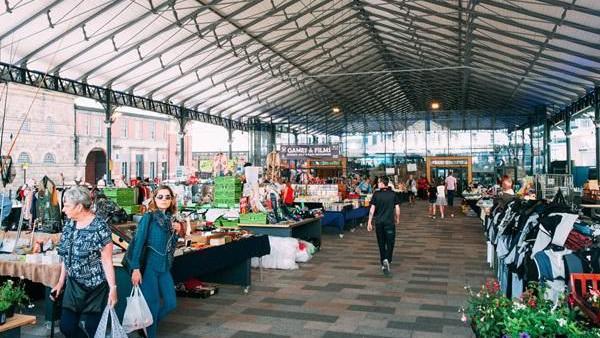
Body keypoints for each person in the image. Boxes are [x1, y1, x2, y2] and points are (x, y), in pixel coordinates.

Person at [52, 186, 117, 337]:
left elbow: (107, 261)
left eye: (67, 205)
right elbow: (66, 256)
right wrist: (60, 282)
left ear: (79, 206)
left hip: (96, 287)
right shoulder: (69, 225)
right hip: (74, 285)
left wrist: (113, 288)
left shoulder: (100, 227)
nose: (63, 209)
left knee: (93, 328)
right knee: (66, 326)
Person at [129, 186, 184, 338]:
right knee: (152, 305)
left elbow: (171, 246)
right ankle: (149, 331)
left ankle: (146, 326)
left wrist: (178, 230)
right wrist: (135, 268)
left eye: (167, 197)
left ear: (172, 199)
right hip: (149, 268)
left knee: (170, 303)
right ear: (154, 199)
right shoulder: (149, 217)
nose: (164, 200)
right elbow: (139, 242)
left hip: (164, 267)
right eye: (160, 197)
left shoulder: (171, 219)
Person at [367, 176, 400, 275]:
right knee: (390, 242)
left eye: (378, 182)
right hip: (389, 222)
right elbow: (397, 209)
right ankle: (388, 259)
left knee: (381, 243)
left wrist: (369, 222)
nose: (377, 184)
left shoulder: (376, 194)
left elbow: (372, 209)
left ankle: (383, 261)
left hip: (379, 223)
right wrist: (397, 218)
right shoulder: (393, 194)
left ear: (382, 183)